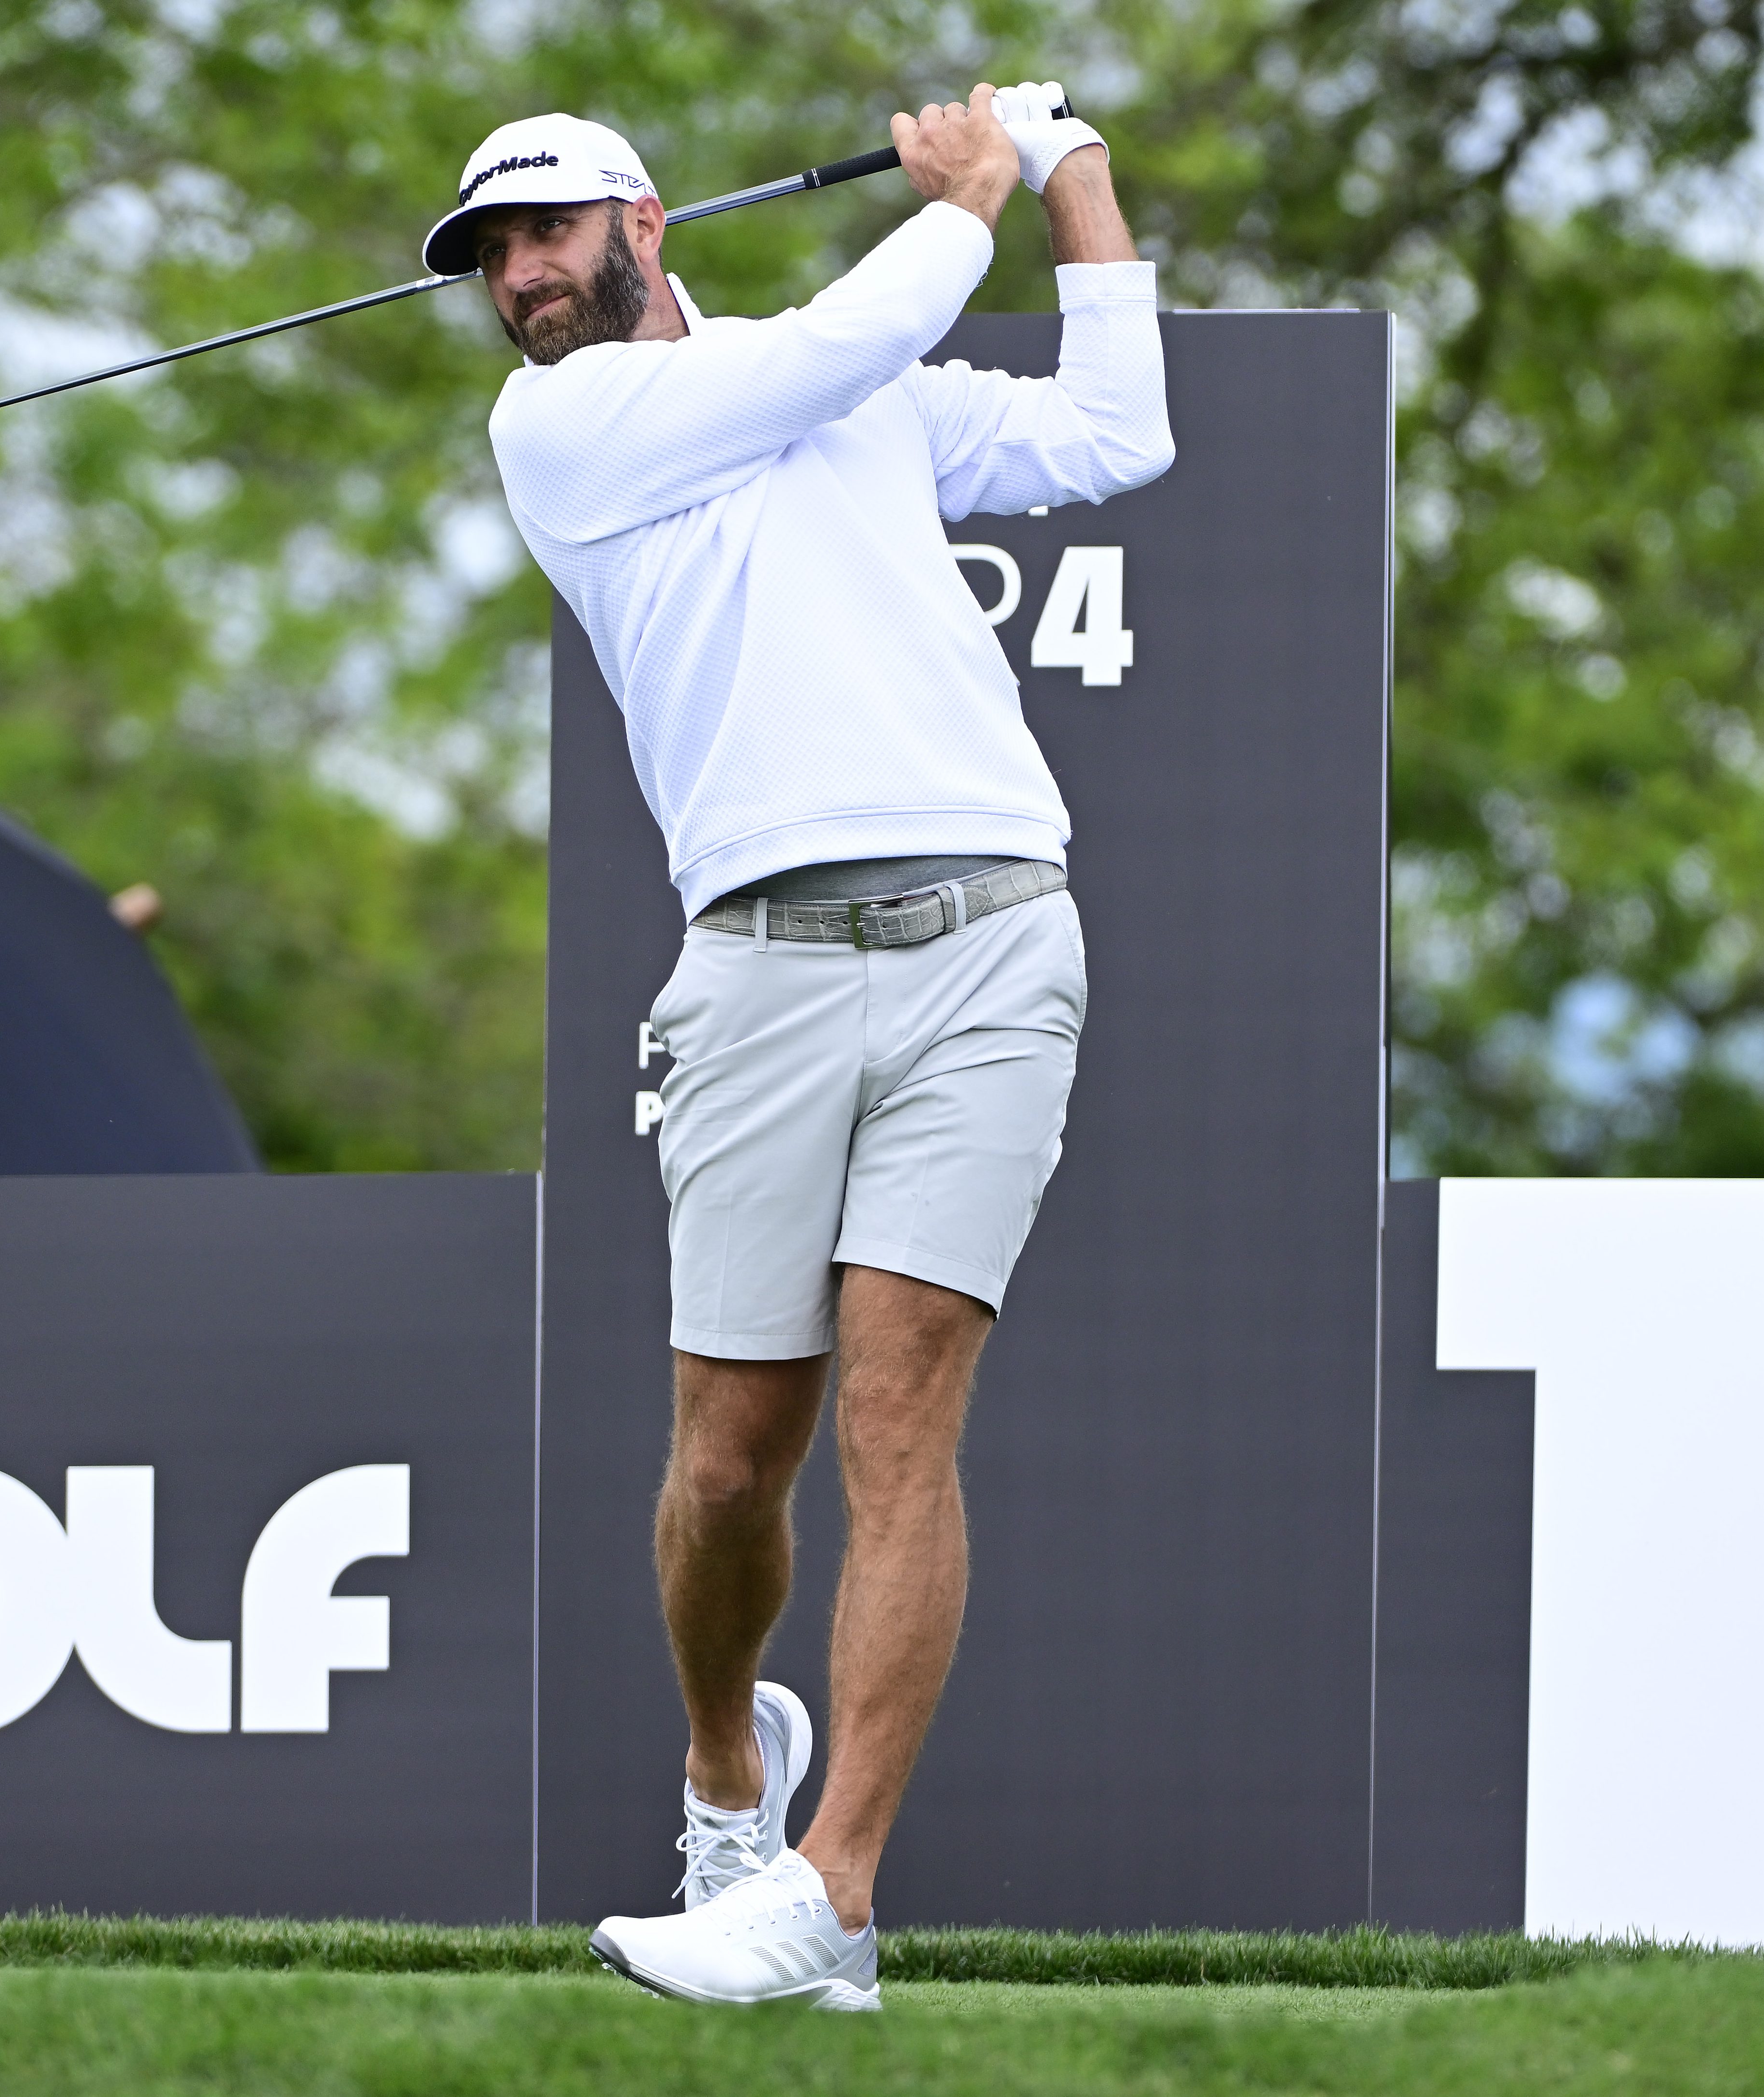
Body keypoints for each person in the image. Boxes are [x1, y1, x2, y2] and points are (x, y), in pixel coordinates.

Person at [427, 81, 1172, 2010]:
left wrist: (1077, 171)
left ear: (643, 224)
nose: (517, 277)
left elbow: (1116, 429)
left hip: (993, 936)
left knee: (902, 1416)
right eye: (491, 256)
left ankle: (833, 1897)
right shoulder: (566, 426)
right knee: (728, 1461)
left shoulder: (829, 378)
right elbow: (864, 329)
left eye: (546, 235)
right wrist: (970, 195)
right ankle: (725, 1774)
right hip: (756, 962)